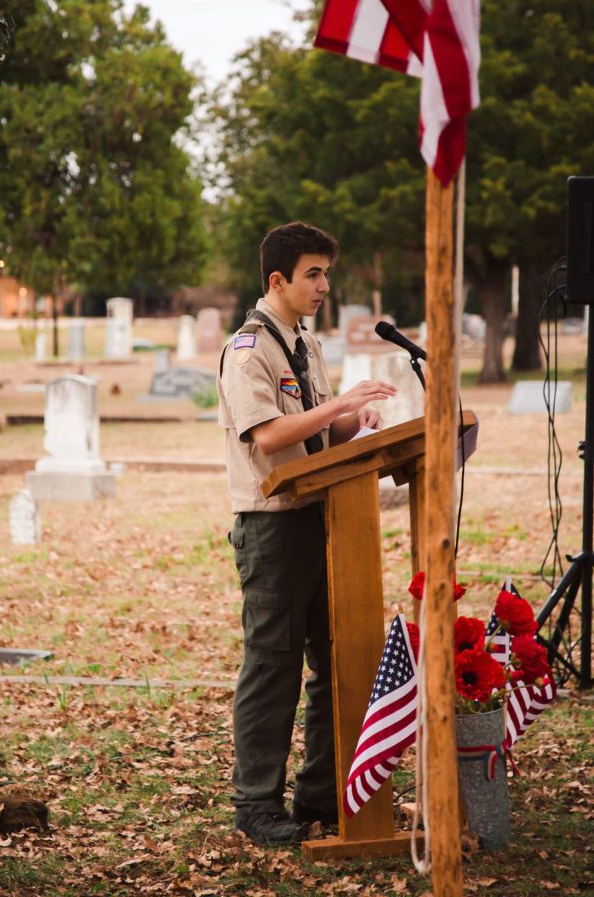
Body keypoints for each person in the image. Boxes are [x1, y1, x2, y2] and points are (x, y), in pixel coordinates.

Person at [216, 221, 397, 847]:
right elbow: (267, 436)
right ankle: (256, 804)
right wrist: (340, 403)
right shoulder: (250, 349)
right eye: (313, 273)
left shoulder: (304, 343)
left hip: (326, 516)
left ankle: (319, 795)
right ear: (278, 279)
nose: (324, 285)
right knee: (273, 669)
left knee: (336, 661)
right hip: (274, 530)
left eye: (326, 272)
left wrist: (356, 422)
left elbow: (315, 436)